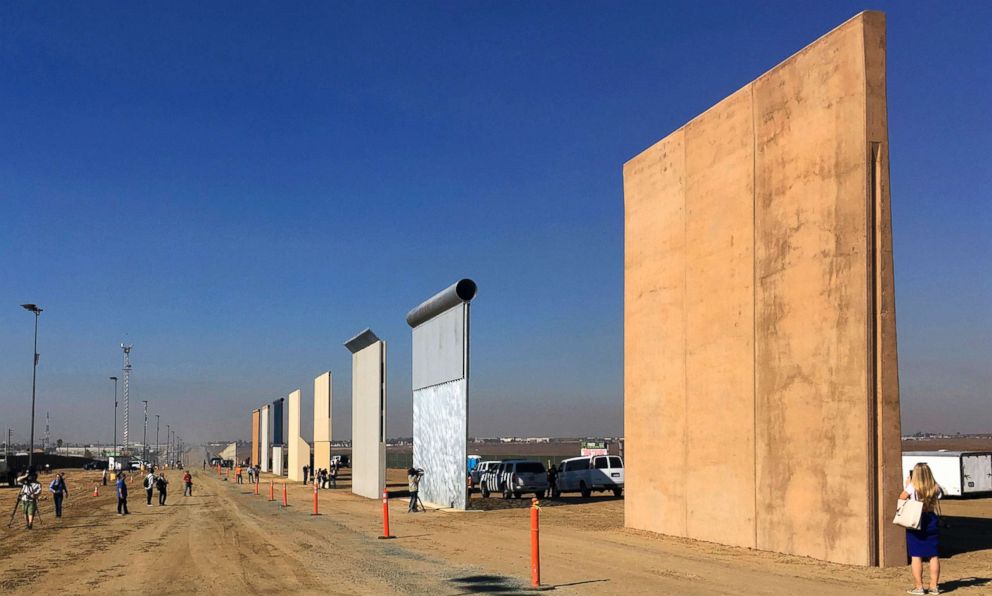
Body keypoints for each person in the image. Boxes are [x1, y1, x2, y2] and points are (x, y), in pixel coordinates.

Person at [901, 462, 944, 595]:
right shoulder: (935, 487)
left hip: (916, 520)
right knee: (933, 555)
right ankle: (934, 586)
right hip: (930, 519)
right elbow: (940, 495)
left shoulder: (912, 487)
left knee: (916, 555)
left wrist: (907, 485)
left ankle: (919, 587)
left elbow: (902, 498)